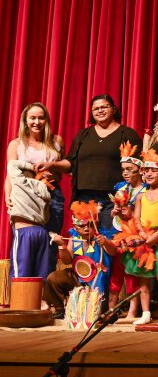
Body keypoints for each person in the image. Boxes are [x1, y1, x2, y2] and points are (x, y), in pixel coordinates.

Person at [66, 95, 142, 230]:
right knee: (84, 243)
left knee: (108, 241)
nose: (100, 111)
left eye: (104, 107)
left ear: (113, 109)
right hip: (84, 198)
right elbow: (70, 162)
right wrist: (52, 165)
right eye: (96, 108)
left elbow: (138, 167)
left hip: (114, 199)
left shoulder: (127, 134)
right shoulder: (83, 135)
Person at [5, 103, 66, 252]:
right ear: (25, 121)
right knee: (26, 247)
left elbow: (64, 168)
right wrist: (8, 196)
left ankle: (47, 276)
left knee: (50, 243)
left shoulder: (56, 141)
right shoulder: (16, 144)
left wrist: (50, 166)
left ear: (46, 120)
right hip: (26, 197)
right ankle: (25, 276)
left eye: (41, 118)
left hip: (52, 196)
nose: (36, 122)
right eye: (32, 118)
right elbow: (10, 174)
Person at [124, 150, 158, 325]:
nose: (149, 174)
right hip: (144, 240)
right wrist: (143, 234)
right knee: (143, 277)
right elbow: (136, 218)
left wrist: (157, 234)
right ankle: (145, 313)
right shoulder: (141, 196)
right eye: (146, 171)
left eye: (154, 170)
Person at [44, 201, 115, 318]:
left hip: (98, 278)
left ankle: (95, 312)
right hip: (78, 277)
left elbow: (113, 251)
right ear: (75, 227)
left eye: (90, 225)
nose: (87, 229)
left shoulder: (101, 237)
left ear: (95, 223)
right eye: (82, 226)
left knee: (94, 310)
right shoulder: (74, 239)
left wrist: (106, 243)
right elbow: (67, 261)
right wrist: (61, 246)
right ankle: (59, 309)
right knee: (53, 278)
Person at [107, 142, 146, 320]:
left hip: (136, 236)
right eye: (123, 169)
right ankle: (111, 309)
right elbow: (114, 214)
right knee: (116, 271)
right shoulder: (121, 189)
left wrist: (132, 215)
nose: (125, 173)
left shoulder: (145, 190)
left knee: (132, 273)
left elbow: (147, 215)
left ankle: (132, 311)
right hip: (119, 233)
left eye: (130, 169)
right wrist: (114, 212)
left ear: (140, 170)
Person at [6, 159, 52, 282]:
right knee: (41, 276)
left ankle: (19, 302)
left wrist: (33, 166)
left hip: (24, 233)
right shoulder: (44, 189)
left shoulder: (20, 182)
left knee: (20, 276)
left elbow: (12, 164)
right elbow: (46, 217)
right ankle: (39, 301)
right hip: (41, 233)